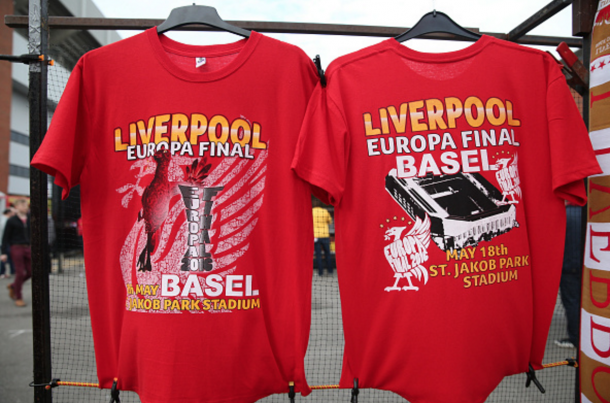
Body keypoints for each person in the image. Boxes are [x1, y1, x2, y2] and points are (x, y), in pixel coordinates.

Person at [555, 203, 582, 349]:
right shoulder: (588, 214)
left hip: (567, 267)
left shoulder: (563, 215)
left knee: (572, 303)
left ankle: (575, 338)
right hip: (585, 266)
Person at [1, 199, 31, 307]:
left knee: (32, 271)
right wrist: (3, 252)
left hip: (28, 247)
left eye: (26, 205)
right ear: (16, 207)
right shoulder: (12, 220)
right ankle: (18, 297)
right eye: (22, 205)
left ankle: (13, 285)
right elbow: (5, 237)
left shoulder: (30, 219)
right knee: (20, 272)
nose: (25, 207)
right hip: (16, 247)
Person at [313, 201, 333, 276]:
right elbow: (330, 221)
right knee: (327, 253)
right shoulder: (324, 211)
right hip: (325, 235)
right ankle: (330, 270)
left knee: (318, 255)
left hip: (316, 236)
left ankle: (320, 272)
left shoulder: (311, 212)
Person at [0, 208, 15, 278]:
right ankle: (2, 272)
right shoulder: (6, 220)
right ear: (8, 213)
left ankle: (5, 272)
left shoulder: (2, 219)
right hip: (4, 242)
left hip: (3, 241)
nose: (13, 214)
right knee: (4, 257)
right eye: (12, 212)